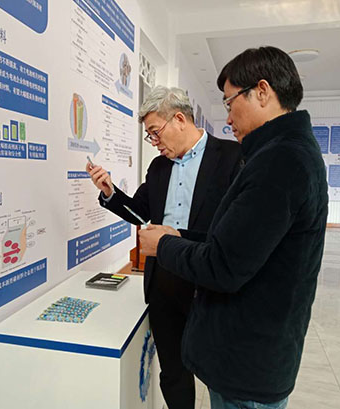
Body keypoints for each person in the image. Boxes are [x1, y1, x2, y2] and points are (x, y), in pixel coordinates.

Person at [138, 46, 329, 409]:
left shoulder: (277, 160)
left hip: (248, 360)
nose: (227, 118)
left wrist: (163, 245)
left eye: (229, 102)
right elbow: (237, 240)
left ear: (262, 91)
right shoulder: (285, 152)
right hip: (247, 349)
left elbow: (224, 264)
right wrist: (177, 236)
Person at [86, 86, 242, 409]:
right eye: (150, 136)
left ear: (180, 119)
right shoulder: (159, 167)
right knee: (173, 371)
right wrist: (110, 193)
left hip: (208, 283)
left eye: (155, 132)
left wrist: (176, 237)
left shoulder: (231, 157)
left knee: (219, 372)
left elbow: (233, 232)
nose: (154, 142)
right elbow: (140, 213)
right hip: (164, 283)